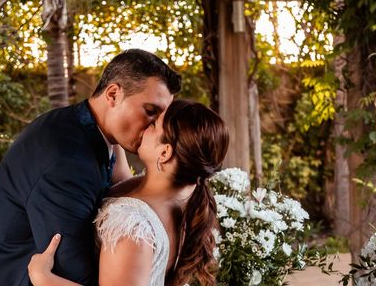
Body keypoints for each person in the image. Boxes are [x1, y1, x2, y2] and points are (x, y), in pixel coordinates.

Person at [0, 49, 181, 286]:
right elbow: (70, 273)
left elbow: (124, 190)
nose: (156, 127)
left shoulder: (93, 130)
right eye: (150, 112)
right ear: (113, 94)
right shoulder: (66, 161)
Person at [27, 99, 230, 286]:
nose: (145, 123)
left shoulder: (133, 229)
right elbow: (123, 181)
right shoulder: (178, 194)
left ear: (165, 152)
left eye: (153, 124)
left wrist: (44, 279)